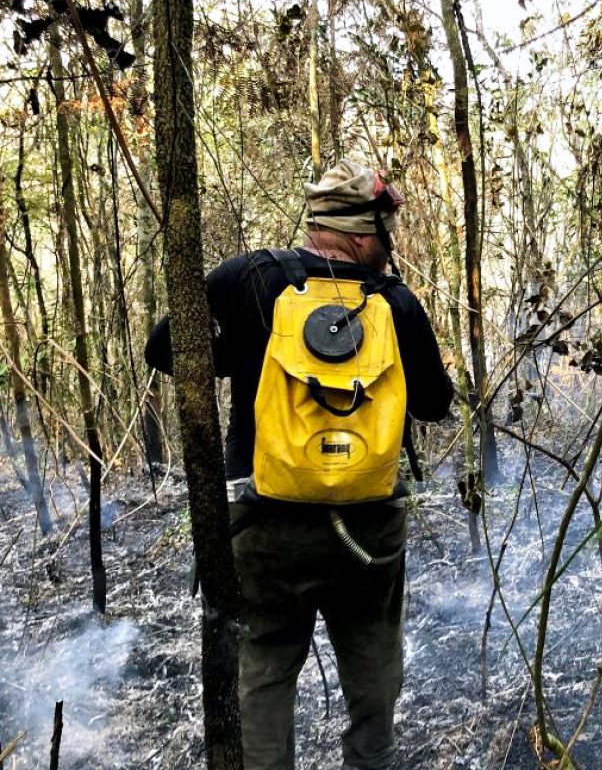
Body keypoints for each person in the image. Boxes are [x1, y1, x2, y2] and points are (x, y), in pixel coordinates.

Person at [145, 159, 453, 769]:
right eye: (385, 231)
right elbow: (435, 404)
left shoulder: (250, 277)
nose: (388, 245)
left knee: (264, 668)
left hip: (265, 523)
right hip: (368, 531)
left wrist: (248, 355)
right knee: (372, 670)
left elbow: (163, 347)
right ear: (364, 235)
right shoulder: (394, 302)